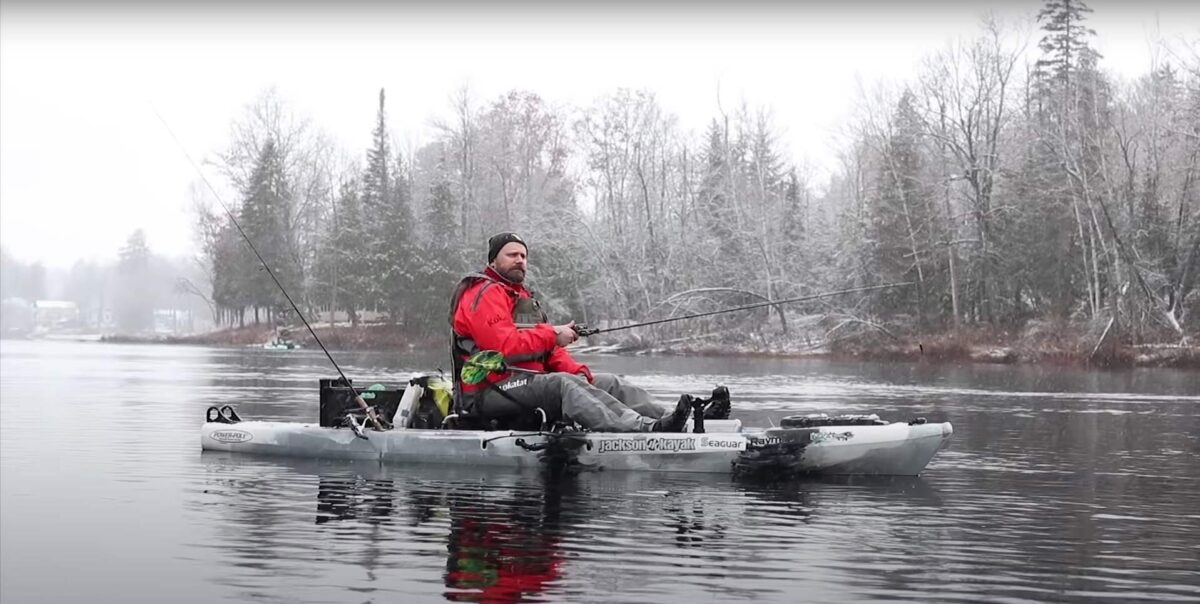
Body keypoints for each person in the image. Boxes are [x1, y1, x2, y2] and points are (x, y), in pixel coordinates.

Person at [449, 232, 691, 432]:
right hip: (490, 391)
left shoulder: (522, 298)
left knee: (610, 382)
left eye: (523, 256)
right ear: (493, 261)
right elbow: (503, 348)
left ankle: (674, 421)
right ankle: (645, 429)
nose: (520, 260)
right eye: (512, 255)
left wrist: (580, 373)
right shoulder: (483, 293)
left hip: (528, 383)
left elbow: (547, 351)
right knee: (564, 385)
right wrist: (553, 334)